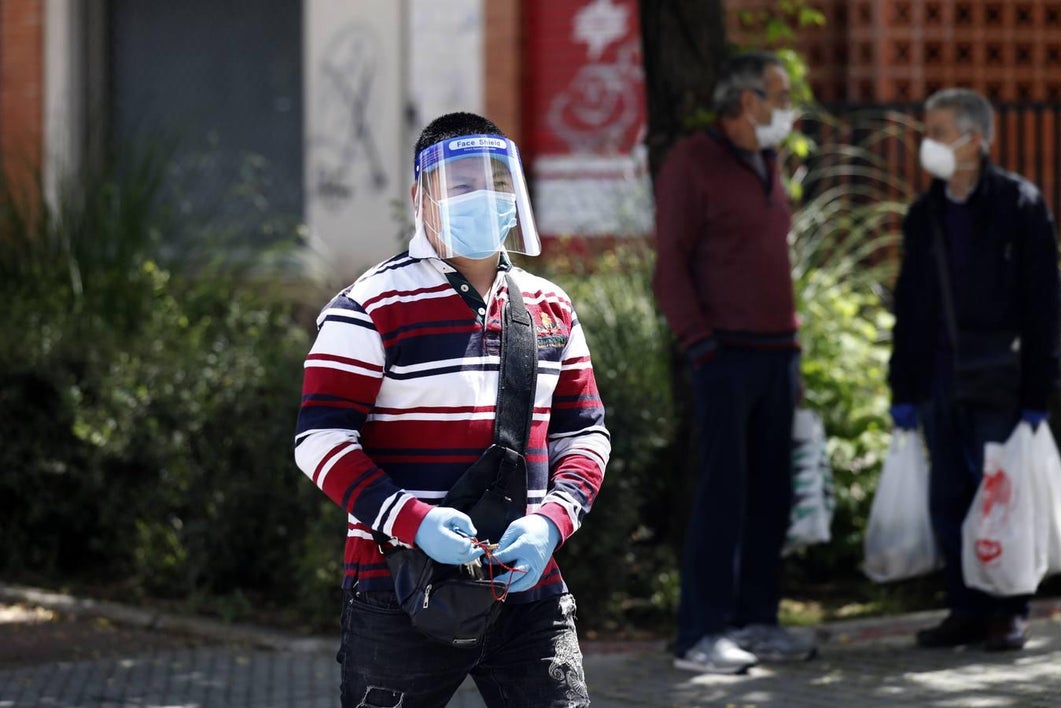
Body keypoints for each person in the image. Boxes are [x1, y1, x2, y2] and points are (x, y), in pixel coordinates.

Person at [294, 111, 611, 706]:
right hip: (398, 590)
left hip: (528, 590)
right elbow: (320, 440)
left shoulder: (551, 307)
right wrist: (412, 521)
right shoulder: (368, 306)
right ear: (421, 197)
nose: (483, 197)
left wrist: (552, 523)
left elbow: (585, 434)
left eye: (496, 181)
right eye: (461, 184)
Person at [652, 51, 816, 674]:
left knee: (770, 495)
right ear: (748, 102)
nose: (787, 108)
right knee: (723, 495)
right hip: (724, 355)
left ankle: (758, 620)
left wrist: (794, 351)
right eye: (779, 95)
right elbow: (669, 268)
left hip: (777, 356)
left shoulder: (767, 160)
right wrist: (700, 347)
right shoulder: (692, 163)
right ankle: (700, 633)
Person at [888, 88, 1061, 651]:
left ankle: (1010, 608)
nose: (928, 144)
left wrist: (1039, 391)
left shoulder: (1019, 205)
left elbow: (1045, 306)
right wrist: (904, 386)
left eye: (938, 131)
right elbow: (910, 304)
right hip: (940, 379)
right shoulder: (926, 213)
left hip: (1001, 380)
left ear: (976, 140)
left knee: (1001, 497)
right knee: (951, 499)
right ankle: (965, 608)